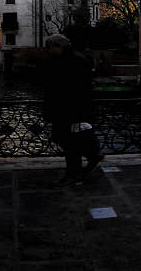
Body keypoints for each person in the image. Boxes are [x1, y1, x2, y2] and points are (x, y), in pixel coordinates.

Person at [41, 35, 99, 187]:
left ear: (58, 46)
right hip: (66, 111)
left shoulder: (74, 61)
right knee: (65, 140)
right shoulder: (72, 59)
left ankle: (74, 175)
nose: (48, 51)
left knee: (70, 145)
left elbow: (72, 89)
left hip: (70, 112)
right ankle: (93, 156)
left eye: (49, 47)